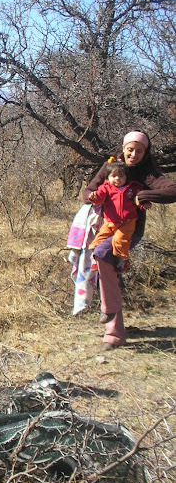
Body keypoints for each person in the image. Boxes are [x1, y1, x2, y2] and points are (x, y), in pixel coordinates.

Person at [82, 131, 176, 351]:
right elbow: (89, 189)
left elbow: (173, 190)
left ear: (146, 153)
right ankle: (115, 331)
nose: (134, 154)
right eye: (130, 149)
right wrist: (92, 196)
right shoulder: (110, 167)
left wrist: (144, 196)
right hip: (107, 227)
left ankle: (112, 320)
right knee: (107, 265)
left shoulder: (147, 174)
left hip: (130, 230)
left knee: (103, 254)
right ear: (123, 148)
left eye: (139, 151)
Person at [87, 160, 146, 270]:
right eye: (114, 176)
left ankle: (122, 260)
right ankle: (95, 258)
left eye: (121, 176)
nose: (117, 179)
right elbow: (99, 198)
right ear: (108, 177)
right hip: (110, 222)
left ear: (126, 177)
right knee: (98, 239)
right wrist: (93, 197)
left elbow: (141, 198)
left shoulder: (133, 188)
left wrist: (144, 203)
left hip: (127, 222)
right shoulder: (105, 188)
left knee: (119, 240)